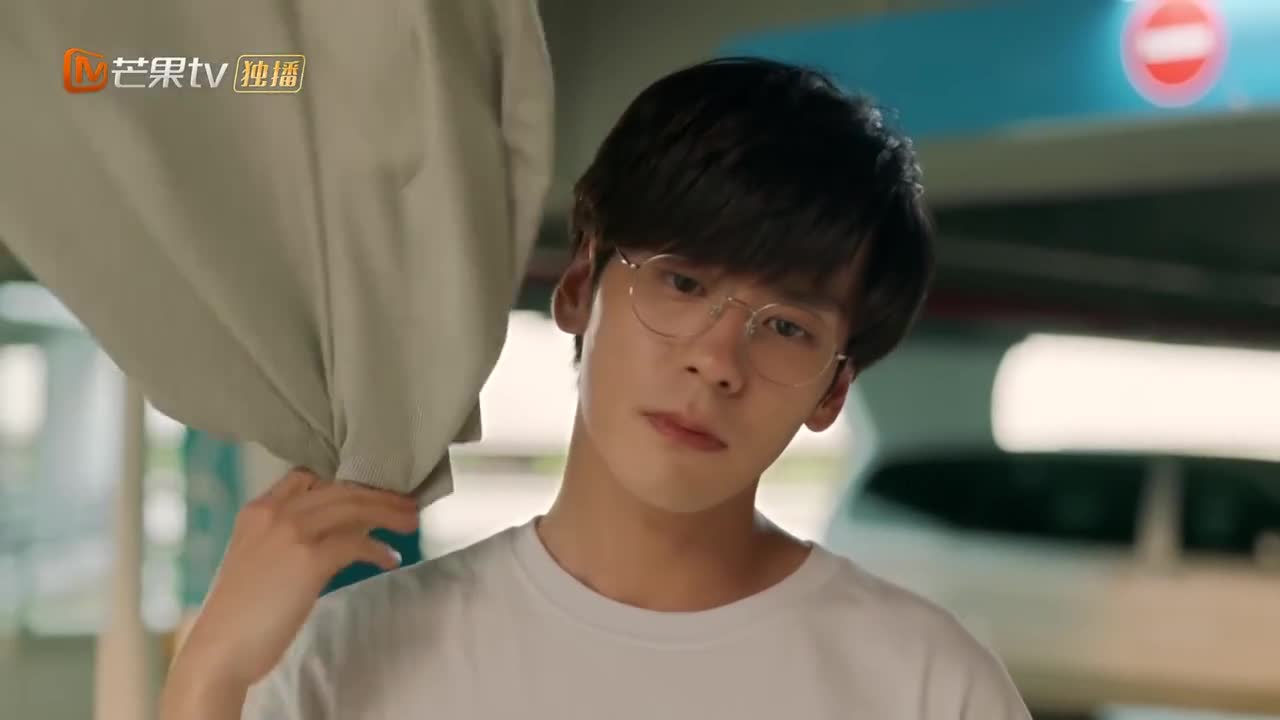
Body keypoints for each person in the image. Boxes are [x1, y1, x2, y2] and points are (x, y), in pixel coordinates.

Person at [160, 57, 1032, 720]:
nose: (717, 361)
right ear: (579, 287)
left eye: (787, 328)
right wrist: (208, 675)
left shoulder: (926, 685)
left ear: (833, 391)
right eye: (682, 283)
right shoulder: (347, 653)